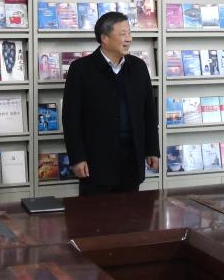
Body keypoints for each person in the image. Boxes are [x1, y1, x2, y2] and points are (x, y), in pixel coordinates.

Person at [62, 11, 159, 195]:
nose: (128, 39)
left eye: (129, 33)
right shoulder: (81, 69)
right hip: (96, 160)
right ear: (104, 38)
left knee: (132, 211)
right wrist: (77, 158)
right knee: (96, 211)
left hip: (131, 159)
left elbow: (149, 112)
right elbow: (71, 118)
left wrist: (152, 149)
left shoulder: (138, 67)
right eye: (122, 34)